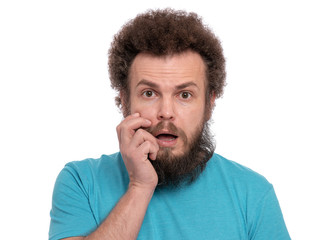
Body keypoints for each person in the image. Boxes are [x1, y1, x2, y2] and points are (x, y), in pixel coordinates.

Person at [49, 8, 291, 240]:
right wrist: (140, 186)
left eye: (184, 95)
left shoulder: (253, 194)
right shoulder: (80, 181)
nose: (166, 113)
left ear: (209, 103)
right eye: (149, 93)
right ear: (124, 100)